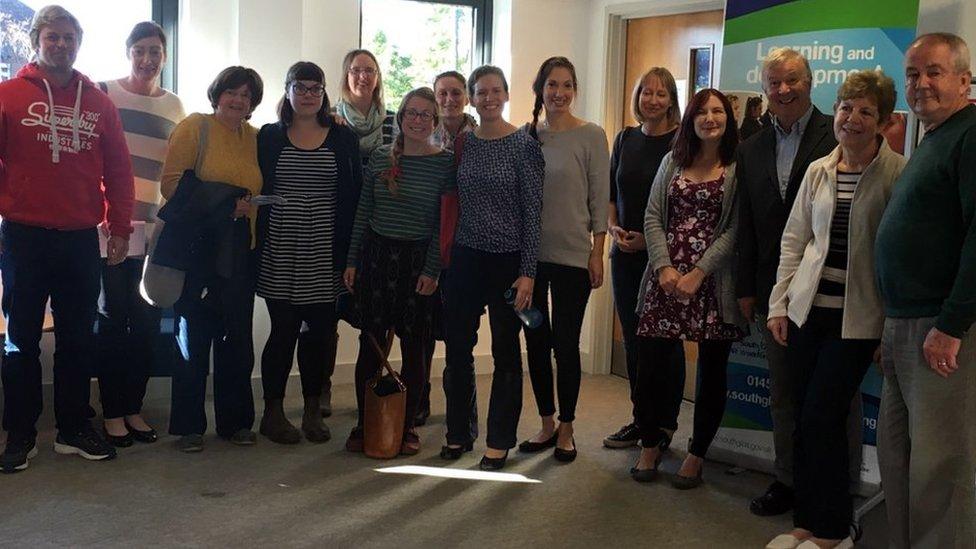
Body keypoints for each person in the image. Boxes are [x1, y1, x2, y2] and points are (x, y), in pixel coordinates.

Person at [764, 70, 904, 549]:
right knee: (805, 416)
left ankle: (832, 528)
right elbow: (794, 242)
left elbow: (900, 259)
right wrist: (778, 304)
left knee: (824, 415)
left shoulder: (897, 174)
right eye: (846, 108)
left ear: (884, 121)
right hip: (808, 312)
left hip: (858, 320)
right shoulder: (819, 170)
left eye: (866, 111)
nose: (853, 118)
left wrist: (890, 331)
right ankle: (806, 521)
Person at [0, 5, 134, 472]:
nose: (61, 45)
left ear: (79, 44)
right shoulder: (9, 96)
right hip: (23, 237)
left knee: (80, 337)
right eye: (52, 37)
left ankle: (74, 427)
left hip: (80, 239)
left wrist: (120, 228)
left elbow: (119, 170)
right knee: (20, 340)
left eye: (69, 38)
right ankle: (20, 434)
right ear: (37, 40)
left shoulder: (98, 103)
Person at [736, 48, 847, 516]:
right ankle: (788, 480)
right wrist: (746, 288)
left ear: (810, 82)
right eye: (774, 83)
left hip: (830, 292)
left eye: (792, 81)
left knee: (827, 398)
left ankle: (829, 486)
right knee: (783, 392)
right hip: (773, 292)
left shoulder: (837, 134)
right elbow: (746, 224)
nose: (783, 90)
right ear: (764, 89)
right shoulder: (751, 146)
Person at [875, 33, 976, 548]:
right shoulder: (932, 136)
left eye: (934, 72)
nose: (922, 84)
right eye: (913, 74)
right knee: (898, 456)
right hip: (902, 324)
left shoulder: (971, 133)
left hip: (940, 328)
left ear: (964, 78)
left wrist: (951, 325)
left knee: (941, 466)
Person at [630, 88, 744, 488]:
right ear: (691, 118)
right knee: (650, 369)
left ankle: (697, 454)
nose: (710, 118)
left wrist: (699, 271)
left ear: (728, 118)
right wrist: (663, 266)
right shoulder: (672, 160)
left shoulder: (737, 166)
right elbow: (652, 215)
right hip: (664, 278)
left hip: (713, 284)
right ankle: (650, 441)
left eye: (718, 111)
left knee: (711, 374)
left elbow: (735, 230)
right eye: (702, 112)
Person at [441, 65, 544, 470]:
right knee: (457, 350)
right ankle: (458, 431)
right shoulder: (463, 143)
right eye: (480, 92)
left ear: (505, 95)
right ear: (471, 97)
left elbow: (533, 212)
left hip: (508, 263)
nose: (488, 98)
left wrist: (529, 271)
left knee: (505, 352)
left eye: (495, 91)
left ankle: (499, 439)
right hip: (466, 258)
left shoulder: (524, 145)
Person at [254, 61, 362, 445]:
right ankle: (272, 411)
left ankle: (313, 410)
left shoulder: (342, 138)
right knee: (282, 331)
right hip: (280, 245)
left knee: (318, 333)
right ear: (287, 91)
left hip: (325, 247)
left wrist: (352, 256)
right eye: (300, 88)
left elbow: (354, 196)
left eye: (315, 89)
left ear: (324, 94)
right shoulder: (268, 136)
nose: (308, 95)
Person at [344, 86, 453, 456]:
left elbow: (444, 223)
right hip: (377, 256)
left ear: (435, 121)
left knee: (415, 348)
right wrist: (352, 261)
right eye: (412, 113)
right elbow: (362, 211)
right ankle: (365, 421)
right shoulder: (379, 158)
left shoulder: (445, 163)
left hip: (418, 262)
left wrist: (433, 269)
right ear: (400, 118)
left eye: (426, 114)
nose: (418, 120)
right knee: (371, 344)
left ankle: (406, 427)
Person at [161, 66, 264, 453]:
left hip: (241, 250)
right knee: (193, 336)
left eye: (246, 95)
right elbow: (170, 184)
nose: (238, 100)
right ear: (217, 93)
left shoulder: (255, 138)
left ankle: (236, 422)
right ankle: (189, 426)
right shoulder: (195, 127)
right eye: (231, 92)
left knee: (236, 338)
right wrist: (226, 204)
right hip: (199, 250)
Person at [95, 21, 185, 448]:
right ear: (128, 52)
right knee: (114, 322)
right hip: (110, 229)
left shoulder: (175, 107)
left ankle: (133, 407)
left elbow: (177, 170)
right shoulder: (103, 93)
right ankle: (112, 412)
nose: (148, 59)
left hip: (154, 232)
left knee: (148, 325)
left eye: (156, 52)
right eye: (140, 50)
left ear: (165, 57)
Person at [517, 57, 608, 463]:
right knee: (535, 340)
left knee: (565, 345)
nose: (559, 93)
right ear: (541, 89)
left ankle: (569, 427)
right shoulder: (527, 136)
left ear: (575, 90)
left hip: (573, 258)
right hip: (530, 262)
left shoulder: (591, 135)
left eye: (567, 85)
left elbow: (598, 196)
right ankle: (547, 423)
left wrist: (597, 252)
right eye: (552, 85)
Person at [305, 49, 398, 419]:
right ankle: (322, 387)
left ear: (377, 77)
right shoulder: (327, 121)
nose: (363, 76)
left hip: (381, 231)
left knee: (378, 315)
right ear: (345, 76)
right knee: (327, 314)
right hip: (335, 229)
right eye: (356, 70)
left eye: (369, 70)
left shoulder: (394, 122)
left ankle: (372, 384)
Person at [604, 67, 685, 450]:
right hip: (624, 256)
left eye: (661, 93)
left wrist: (649, 245)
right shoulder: (624, 138)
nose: (652, 99)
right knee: (635, 341)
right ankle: (641, 419)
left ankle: (664, 423)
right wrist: (614, 228)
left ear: (671, 99)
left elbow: (688, 209)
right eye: (645, 92)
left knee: (665, 344)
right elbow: (609, 193)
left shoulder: (683, 143)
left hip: (664, 259)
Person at [414, 70, 479, 427]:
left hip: (466, 247)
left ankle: (462, 414)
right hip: (428, 245)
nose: (449, 100)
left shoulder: (482, 135)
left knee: (459, 338)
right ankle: (419, 400)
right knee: (422, 331)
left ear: (466, 97)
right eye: (443, 94)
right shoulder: (424, 134)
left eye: (456, 93)